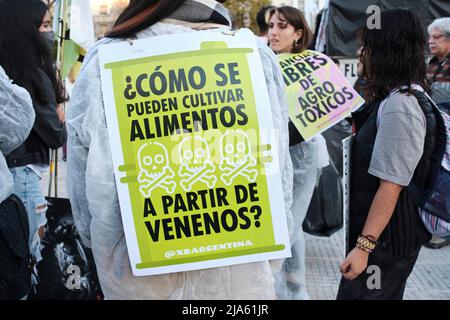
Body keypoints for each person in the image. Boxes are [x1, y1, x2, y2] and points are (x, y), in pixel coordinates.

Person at [66, 0, 294, 299]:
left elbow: (87, 188)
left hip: (135, 277)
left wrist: (107, 254)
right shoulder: (254, 55)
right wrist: (267, 262)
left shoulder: (104, 58)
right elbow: (277, 174)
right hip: (240, 277)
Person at [337, 9, 435, 300]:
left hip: (385, 244)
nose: (360, 52)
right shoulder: (398, 97)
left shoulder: (400, 105)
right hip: (389, 239)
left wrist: (364, 247)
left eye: (367, 45)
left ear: (385, 50)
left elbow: (390, 185)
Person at [267, 6, 329, 300]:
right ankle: (292, 287)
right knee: (287, 223)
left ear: (298, 33)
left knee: (288, 223)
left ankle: (287, 289)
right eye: (270, 26)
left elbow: (317, 114)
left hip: (301, 153)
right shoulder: (266, 62)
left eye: (281, 26)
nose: (273, 32)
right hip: (275, 153)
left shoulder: (311, 63)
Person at [0, 0, 67, 264]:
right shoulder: (34, 77)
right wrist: (61, 120)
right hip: (24, 177)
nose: (50, 33)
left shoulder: (7, 74)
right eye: (46, 25)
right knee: (27, 259)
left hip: (10, 175)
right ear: (24, 29)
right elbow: (55, 135)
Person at [424, 17, 450, 250]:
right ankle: (439, 224)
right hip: (436, 129)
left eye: (437, 36)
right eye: (430, 37)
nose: (431, 41)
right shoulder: (430, 64)